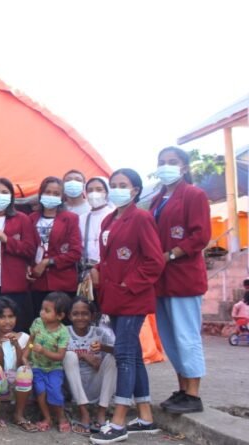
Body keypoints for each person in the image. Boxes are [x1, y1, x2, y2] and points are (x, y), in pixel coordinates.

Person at [89, 168, 165, 444]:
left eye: (123, 185)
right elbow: (109, 258)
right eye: (113, 184)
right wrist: (97, 270)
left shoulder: (141, 218)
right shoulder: (109, 219)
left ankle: (119, 420)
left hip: (133, 297)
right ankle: (145, 416)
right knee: (131, 354)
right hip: (113, 298)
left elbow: (154, 260)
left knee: (123, 354)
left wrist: (128, 284)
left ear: (135, 190)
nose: (117, 189)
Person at [149, 146, 211, 415]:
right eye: (162, 162)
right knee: (170, 339)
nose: (166, 166)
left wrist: (171, 254)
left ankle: (193, 394)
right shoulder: (158, 198)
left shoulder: (194, 195)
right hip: (161, 280)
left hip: (183, 277)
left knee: (187, 336)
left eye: (172, 162)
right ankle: (182, 388)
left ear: (184, 167)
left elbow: (200, 236)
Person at [0, 177, 38, 333]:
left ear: (11, 196)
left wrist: (7, 240)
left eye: (4, 192)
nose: (0, 195)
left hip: (13, 283)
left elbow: (30, 250)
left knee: (15, 326)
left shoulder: (22, 219)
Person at [29, 177, 82, 320]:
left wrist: (48, 261)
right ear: (41, 194)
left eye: (56, 193)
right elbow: (27, 248)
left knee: (61, 327)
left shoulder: (70, 218)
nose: (51, 196)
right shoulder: (31, 218)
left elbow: (75, 252)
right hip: (37, 282)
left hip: (62, 282)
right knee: (39, 326)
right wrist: (28, 268)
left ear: (62, 197)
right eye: (48, 192)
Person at [0, 297, 35, 434]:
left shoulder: (24, 337)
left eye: (11, 316)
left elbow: (20, 363)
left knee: (25, 370)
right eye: (2, 317)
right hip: (0, 387)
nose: (7, 321)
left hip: (19, 387)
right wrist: (0, 347)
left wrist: (16, 345)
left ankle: (19, 414)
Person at [63, 297, 116, 435]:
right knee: (69, 356)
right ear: (69, 315)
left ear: (92, 316)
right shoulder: (63, 332)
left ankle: (101, 413)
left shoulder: (99, 333)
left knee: (113, 358)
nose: (80, 317)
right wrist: (84, 356)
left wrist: (104, 348)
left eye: (85, 313)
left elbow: (120, 351)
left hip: (95, 386)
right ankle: (84, 413)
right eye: (75, 313)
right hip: (74, 388)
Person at [25, 292, 72, 433]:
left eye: (47, 311)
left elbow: (60, 356)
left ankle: (61, 417)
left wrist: (44, 351)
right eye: (41, 309)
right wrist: (25, 356)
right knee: (40, 391)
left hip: (54, 368)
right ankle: (47, 418)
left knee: (55, 391)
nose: (42, 313)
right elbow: (31, 340)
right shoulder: (37, 323)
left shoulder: (63, 332)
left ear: (60, 316)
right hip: (37, 366)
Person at [79, 177, 114, 279]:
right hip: (86, 271)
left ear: (107, 192)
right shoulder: (82, 218)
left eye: (99, 189)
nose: (94, 193)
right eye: (90, 190)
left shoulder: (114, 215)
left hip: (108, 270)